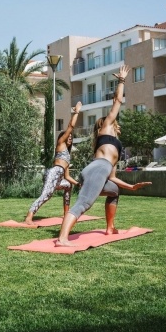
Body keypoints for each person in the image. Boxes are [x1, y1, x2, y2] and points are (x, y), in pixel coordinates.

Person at [56, 66, 152, 246]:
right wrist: (121, 81)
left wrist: (131, 187)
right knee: (83, 204)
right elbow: (118, 101)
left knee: (114, 191)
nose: (117, 123)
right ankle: (62, 239)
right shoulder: (106, 128)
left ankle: (110, 227)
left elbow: (113, 177)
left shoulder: (116, 146)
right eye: (115, 121)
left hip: (100, 172)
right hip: (97, 171)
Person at [24, 102, 82, 225]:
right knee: (46, 196)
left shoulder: (67, 156)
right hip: (53, 174)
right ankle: (29, 217)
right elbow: (71, 126)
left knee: (68, 185)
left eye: (71, 137)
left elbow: (67, 176)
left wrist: (77, 183)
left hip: (59, 178)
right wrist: (76, 112)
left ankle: (66, 214)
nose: (70, 138)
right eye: (68, 136)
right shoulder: (61, 144)